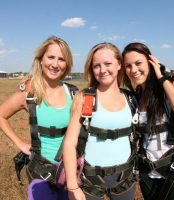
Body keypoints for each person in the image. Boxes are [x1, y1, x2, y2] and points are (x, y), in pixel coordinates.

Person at [0, 36, 78, 200]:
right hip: (40, 172)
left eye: (61, 59)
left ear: (67, 64)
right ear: (41, 59)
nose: (55, 64)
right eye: (51, 57)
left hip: (69, 172)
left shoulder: (73, 93)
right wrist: (21, 144)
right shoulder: (28, 93)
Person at [122, 42, 174, 200]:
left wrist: (162, 79)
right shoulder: (136, 96)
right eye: (128, 66)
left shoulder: (172, 80)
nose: (133, 70)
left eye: (138, 63)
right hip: (148, 174)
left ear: (151, 61)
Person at [63, 42, 136, 200]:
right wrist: (72, 186)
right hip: (91, 181)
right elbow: (69, 143)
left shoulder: (131, 98)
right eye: (97, 66)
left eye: (108, 64)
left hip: (125, 179)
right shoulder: (86, 98)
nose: (103, 70)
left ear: (119, 65)